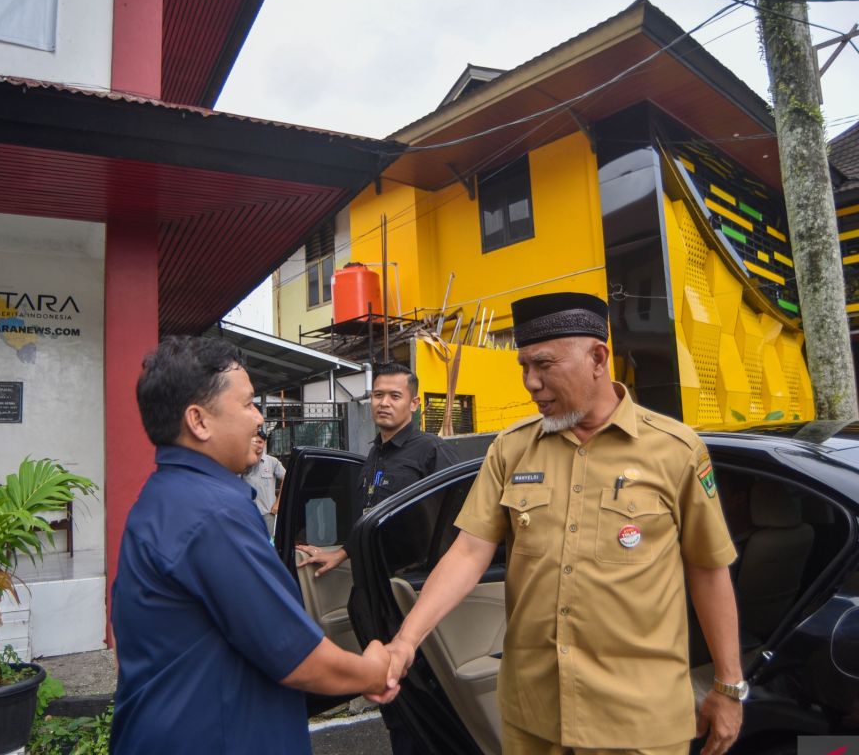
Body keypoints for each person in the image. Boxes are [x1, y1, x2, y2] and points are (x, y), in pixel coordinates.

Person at [378, 292, 745, 755]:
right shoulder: (511, 450)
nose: (531, 383)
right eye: (523, 367)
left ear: (597, 358)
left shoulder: (675, 451)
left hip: (638, 723)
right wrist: (406, 642)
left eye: (544, 365)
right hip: (535, 718)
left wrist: (729, 686)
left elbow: (708, 570)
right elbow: (469, 553)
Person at [111, 336, 392, 755]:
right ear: (199, 421)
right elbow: (296, 656)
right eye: (247, 404)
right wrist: (372, 672)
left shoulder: (161, 498)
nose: (259, 418)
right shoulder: (214, 513)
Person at [296, 360, 457, 754]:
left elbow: (455, 524)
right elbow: (371, 521)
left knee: (421, 693)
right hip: (370, 595)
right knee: (390, 696)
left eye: (394, 396)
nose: (383, 403)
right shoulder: (373, 456)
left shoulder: (430, 452)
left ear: (415, 403)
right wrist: (341, 552)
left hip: (409, 595)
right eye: (378, 395)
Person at [243, 430, 286, 537]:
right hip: (248, 513)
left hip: (268, 513)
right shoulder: (243, 461)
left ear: (265, 443)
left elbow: (286, 478)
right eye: (254, 442)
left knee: (268, 543)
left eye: (260, 442)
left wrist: (278, 502)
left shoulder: (272, 462)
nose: (257, 445)